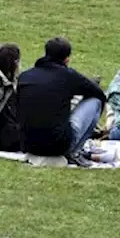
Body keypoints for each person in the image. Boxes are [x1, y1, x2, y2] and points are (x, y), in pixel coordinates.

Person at [17, 37, 106, 165]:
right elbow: (97, 93)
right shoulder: (68, 76)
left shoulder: (25, 76)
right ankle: (75, 152)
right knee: (95, 101)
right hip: (58, 146)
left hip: (27, 144)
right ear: (67, 59)